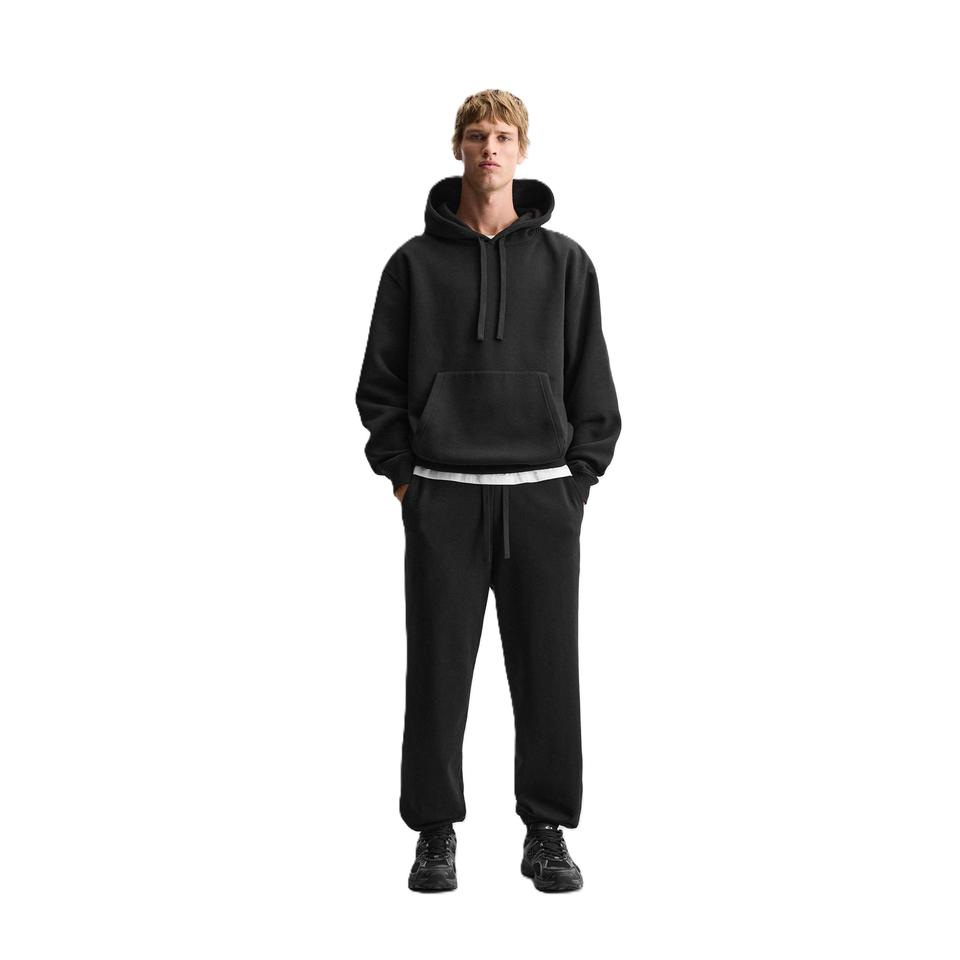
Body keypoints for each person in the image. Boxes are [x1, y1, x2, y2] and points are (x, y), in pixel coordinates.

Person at [355, 89, 621, 893]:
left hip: (541, 497)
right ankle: (434, 832)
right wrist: (404, 477)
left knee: (549, 671)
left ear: (523, 149)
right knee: (436, 671)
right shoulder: (412, 264)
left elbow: (591, 380)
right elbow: (380, 384)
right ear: (458, 148)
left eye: (503, 136)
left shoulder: (566, 263)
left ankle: (546, 831)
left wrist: (579, 481)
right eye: (476, 136)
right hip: (444, 496)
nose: (490, 149)